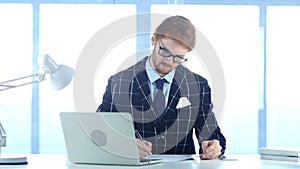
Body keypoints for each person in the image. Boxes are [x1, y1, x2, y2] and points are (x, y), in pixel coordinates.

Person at [97, 15, 226, 160]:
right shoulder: (119, 82)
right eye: (164, 51)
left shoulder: (198, 85)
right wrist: (124, 144)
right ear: (154, 40)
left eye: (178, 57)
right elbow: (99, 132)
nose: (169, 62)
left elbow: (211, 134)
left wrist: (214, 146)